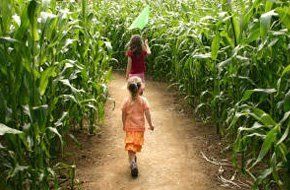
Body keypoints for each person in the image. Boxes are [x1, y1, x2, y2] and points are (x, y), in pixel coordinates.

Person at [121, 76, 154, 177]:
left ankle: (132, 162)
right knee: (134, 145)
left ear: (129, 89)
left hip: (129, 128)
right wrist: (151, 124)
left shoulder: (126, 101)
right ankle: (133, 161)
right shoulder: (143, 100)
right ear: (140, 88)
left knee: (130, 145)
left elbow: (123, 114)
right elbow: (147, 113)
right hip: (139, 129)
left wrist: (123, 124)